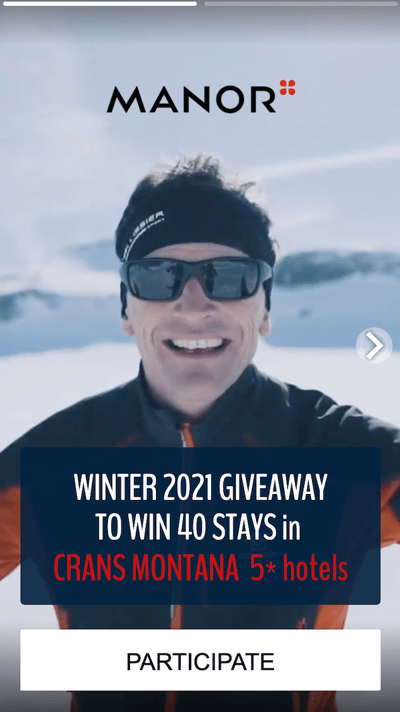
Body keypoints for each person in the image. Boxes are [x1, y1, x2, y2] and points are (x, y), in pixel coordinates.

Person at [1, 156, 400, 712]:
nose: (193, 305)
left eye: (229, 276)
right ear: (127, 308)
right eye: (158, 277)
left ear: (264, 308)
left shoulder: (346, 453)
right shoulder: (50, 463)